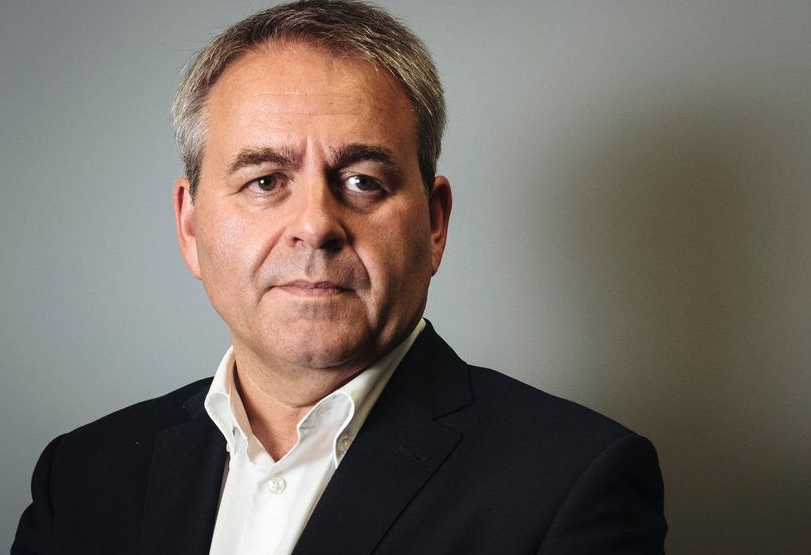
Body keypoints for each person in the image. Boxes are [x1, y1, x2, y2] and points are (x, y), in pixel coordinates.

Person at [12, 1, 667, 554]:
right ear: (190, 225)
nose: (315, 225)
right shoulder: (82, 475)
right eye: (264, 181)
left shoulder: (574, 480)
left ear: (434, 223)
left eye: (362, 181)